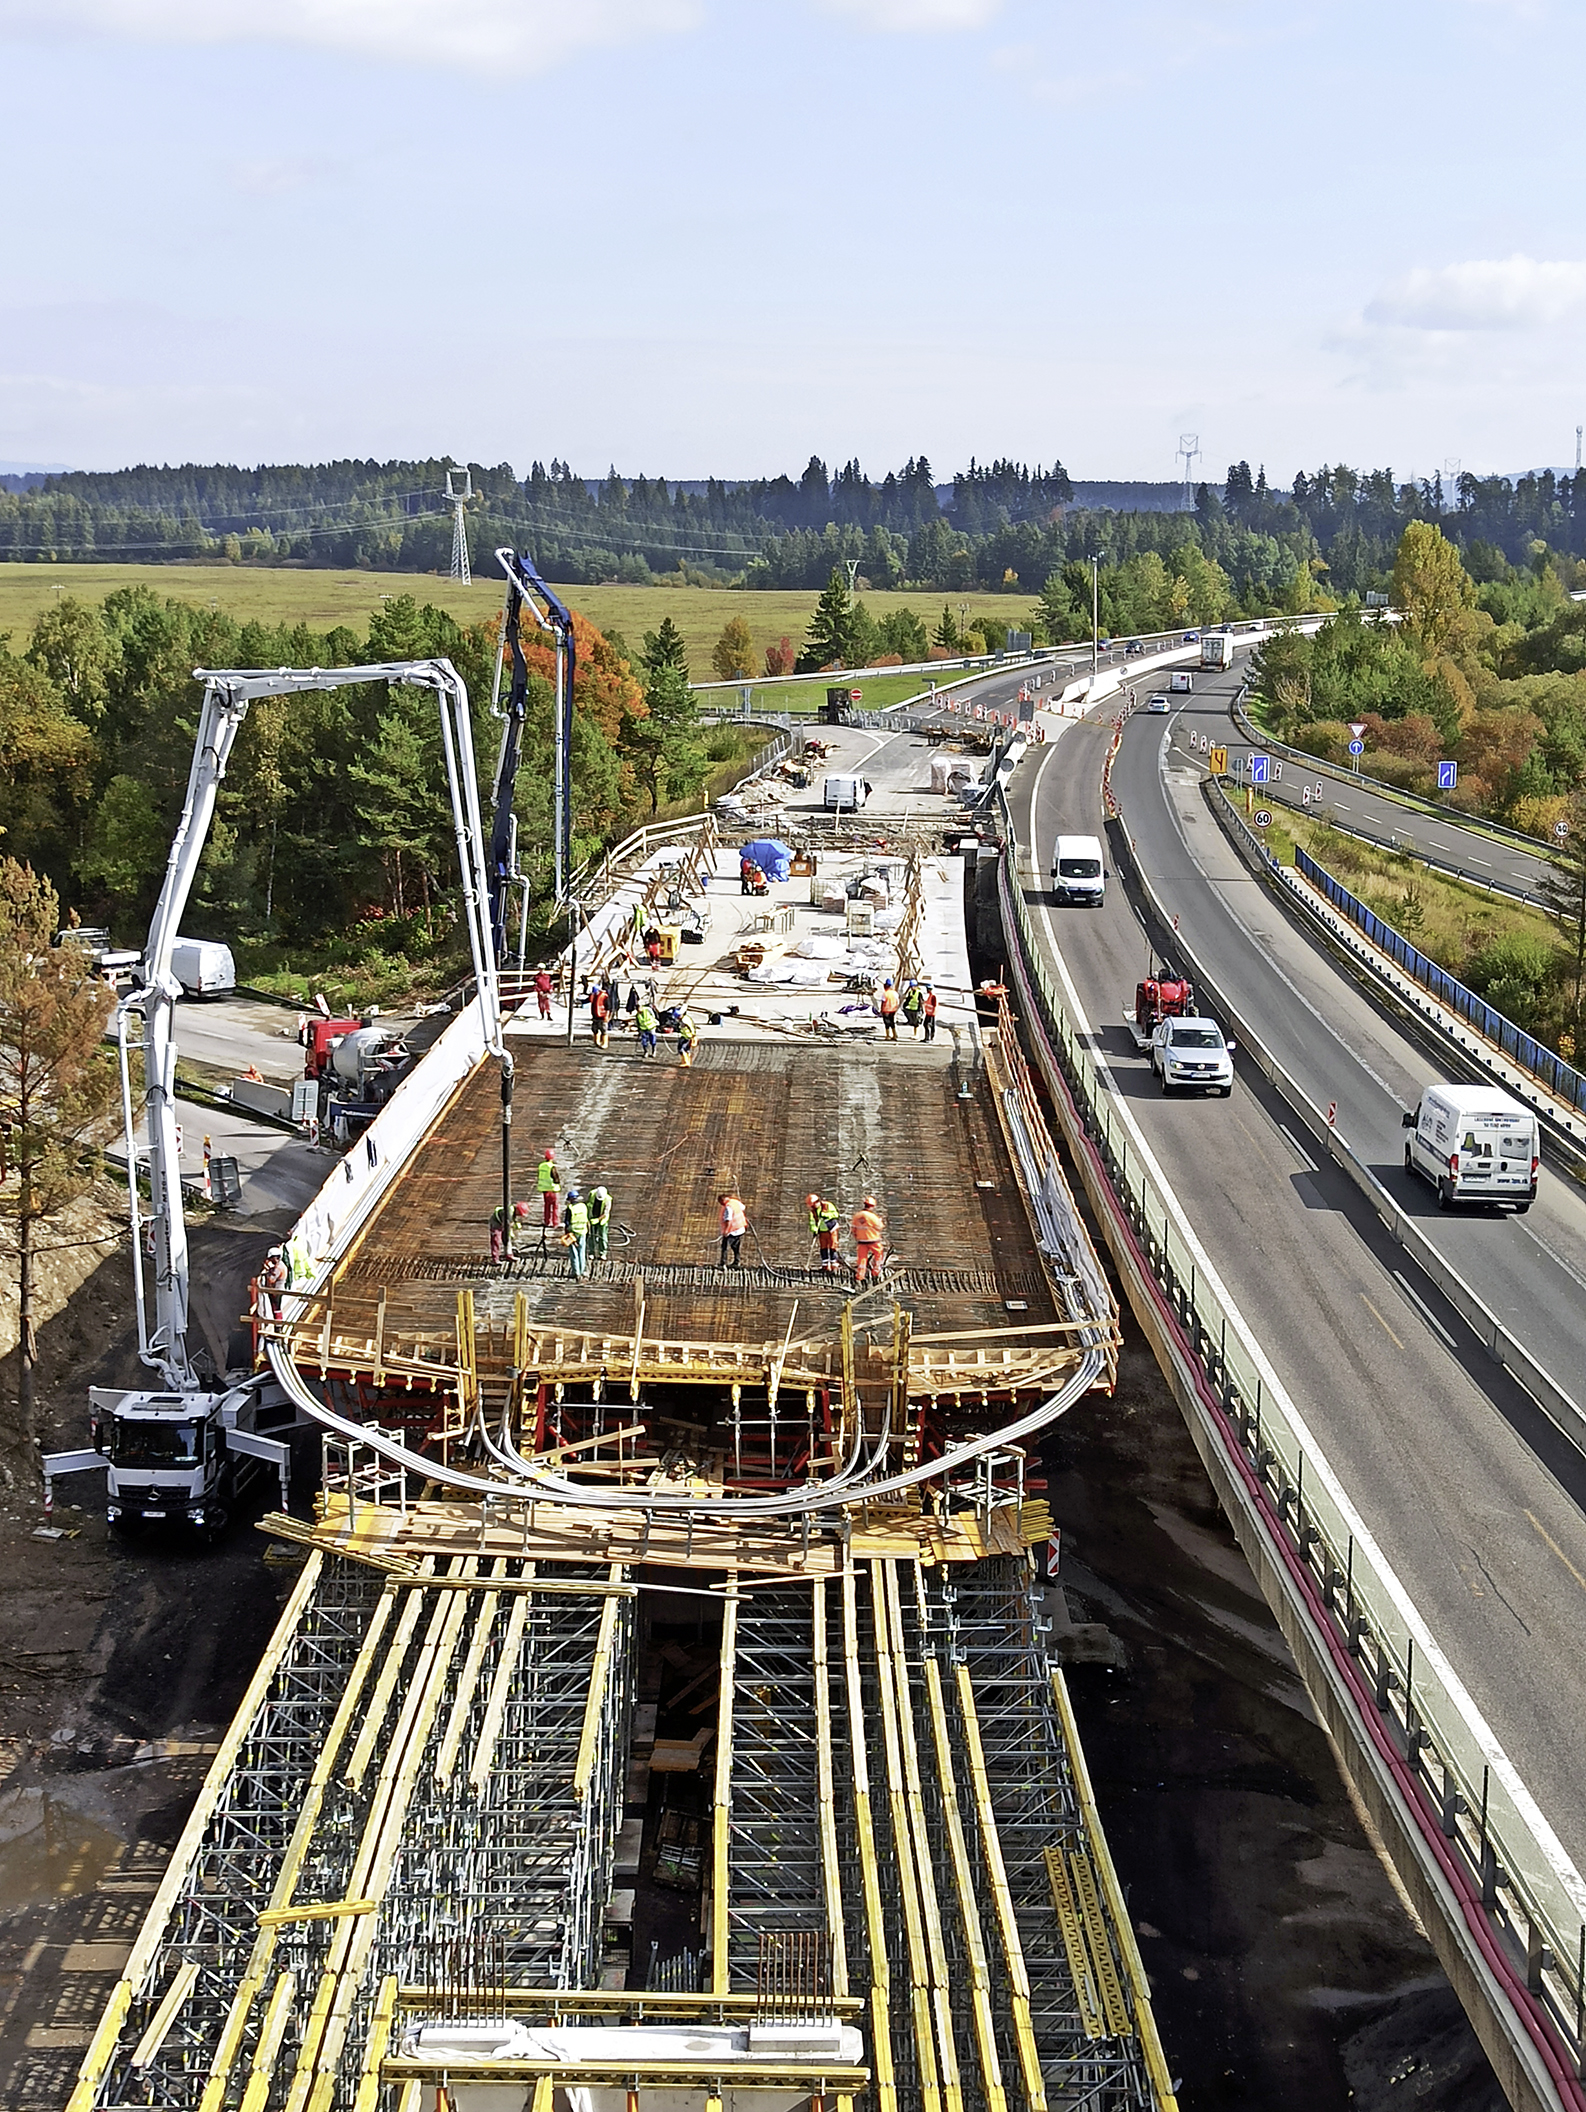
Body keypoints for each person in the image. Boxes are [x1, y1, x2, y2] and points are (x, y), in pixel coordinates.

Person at [851, 1195, 885, 1284]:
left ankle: (860, 1276)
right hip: (873, 1240)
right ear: (872, 1206)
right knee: (878, 1255)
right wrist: (880, 1221)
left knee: (862, 1259)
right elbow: (880, 1227)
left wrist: (856, 1236)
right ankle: (875, 1273)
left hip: (861, 1241)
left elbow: (853, 1229)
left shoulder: (857, 1216)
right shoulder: (873, 1217)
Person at [807, 1193, 841, 1277]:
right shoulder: (813, 1211)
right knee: (823, 1247)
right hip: (822, 1231)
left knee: (833, 1246)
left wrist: (825, 1215)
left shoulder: (828, 1205)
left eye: (813, 1205)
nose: (813, 1207)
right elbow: (812, 1222)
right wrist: (814, 1229)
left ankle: (834, 1265)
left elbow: (835, 1215)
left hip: (831, 1229)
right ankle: (825, 1265)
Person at [562, 1188, 589, 1278]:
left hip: (572, 1233)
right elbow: (586, 1220)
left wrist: (566, 1233)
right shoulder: (583, 1206)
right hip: (582, 1231)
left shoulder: (570, 1208)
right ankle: (582, 1270)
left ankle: (576, 1272)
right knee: (582, 1252)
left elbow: (567, 1223)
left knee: (574, 1253)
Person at [719, 1190, 747, 1268]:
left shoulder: (728, 1207)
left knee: (725, 1246)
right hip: (740, 1228)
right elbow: (743, 1208)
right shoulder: (735, 1202)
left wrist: (726, 1231)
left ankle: (723, 1263)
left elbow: (728, 1219)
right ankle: (736, 1261)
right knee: (736, 1246)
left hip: (732, 1230)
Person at [259, 1246, 287, 1321]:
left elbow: (271, 1280)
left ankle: (278, 1326)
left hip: (276, 1291)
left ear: (277, 1257)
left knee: (276, 1308)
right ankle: (278, 1325)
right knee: (276, 1308)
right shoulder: (280, 1265)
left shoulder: (278, 1268)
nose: (271, 1260)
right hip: (277, 1290)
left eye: (272, 1258)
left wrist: (266, 1273)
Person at [537, 1148, 561, 1227]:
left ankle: (547, 1221)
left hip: (545, 1190)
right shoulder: (552, 1167)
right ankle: (555, 1223)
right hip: (553, 1189)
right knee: (555, 1207)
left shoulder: (541, 1166)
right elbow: (556, 1178)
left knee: (547, 1206)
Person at [588, 1184, 612, 1260]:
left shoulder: (608, 1199)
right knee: (592, 1236)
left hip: (602, 1220)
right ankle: (591, 1252)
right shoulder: (592, 1194)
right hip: (592, 1217)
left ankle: (602, 1253)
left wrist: (598, 1220)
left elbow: (605, 1212)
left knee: (603, 1237)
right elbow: (588, 1204)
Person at [589, 979, 611, 1049]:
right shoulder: (594, 996)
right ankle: (596, 1041)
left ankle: (604, 1043)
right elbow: (589, 1000)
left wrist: (607, 1016)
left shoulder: (604, 996)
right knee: (594, 1029)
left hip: (602, 1016)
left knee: (603, 1029)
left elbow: (608, 1007)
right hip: (595, 1015)